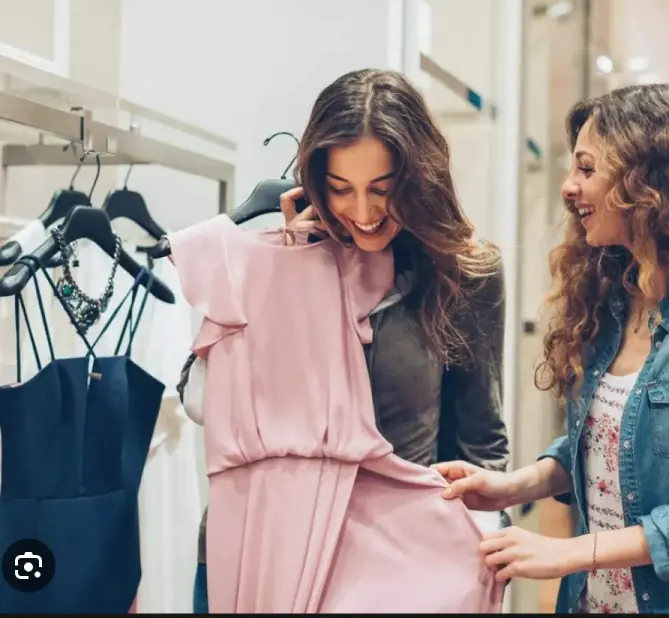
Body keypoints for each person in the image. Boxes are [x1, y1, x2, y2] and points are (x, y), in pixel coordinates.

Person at [434, 83, 669, 614]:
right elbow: (612, 445)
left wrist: (569, 553)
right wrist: (512, 486)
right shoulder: (614, 301)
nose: (569, 187)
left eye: (587, 169)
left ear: (651, 181)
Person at [188, 68, 509, 612]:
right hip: (260, 548)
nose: (362, 213)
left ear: (419, 178)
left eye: (383, 191)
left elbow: (481, 441)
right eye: (340, 189)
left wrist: (477, 564)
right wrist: (289, 272)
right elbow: (202, 400)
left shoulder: (464, 272)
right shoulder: (274, 257)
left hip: (395, 567)